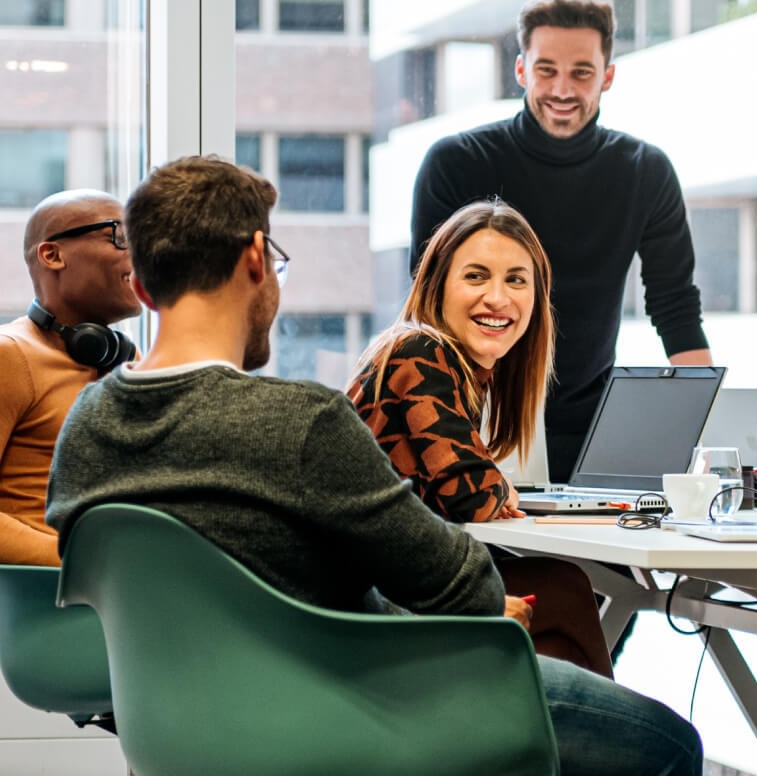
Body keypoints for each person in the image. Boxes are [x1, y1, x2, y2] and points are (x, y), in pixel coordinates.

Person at [46, 156, 703, 776]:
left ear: (139, 286)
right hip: (351, 701)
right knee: (670, 744)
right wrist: (489, 602)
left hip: (170, 724)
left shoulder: (87, 424)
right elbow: (454, 580)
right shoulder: (299, 420)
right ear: (254, 258)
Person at [410, 0, 712, 482]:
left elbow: (675, 305)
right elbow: (427, 306)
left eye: (582, 72)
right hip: (475, 420)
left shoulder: (645, 172)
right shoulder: (457, 162)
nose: (563, 88)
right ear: (521, 70)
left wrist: (706, 435)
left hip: (593, 432)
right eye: (546, 70)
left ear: (608, 76)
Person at [350, 200, 613, 676]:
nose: (497, 298)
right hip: (371, 603)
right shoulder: (419, 350)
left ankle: (554, 746)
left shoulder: (462, 370)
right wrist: (500, 488)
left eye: (516, 279)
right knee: (564, 591)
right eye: (475, 276)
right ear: (438, 286)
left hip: (390, 586)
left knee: (559, 603)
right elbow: (474, 492)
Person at [0, 190, 141, 565]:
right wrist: (87, 566)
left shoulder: (129, 364)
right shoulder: (10, 356)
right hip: (45, 606)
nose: (142, 253)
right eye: (121, 237)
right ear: (53, 255)